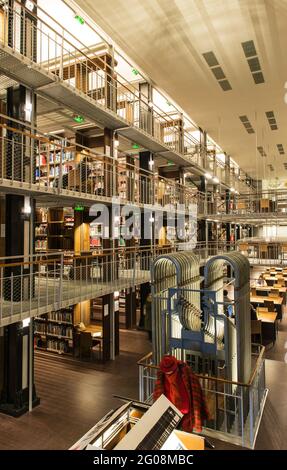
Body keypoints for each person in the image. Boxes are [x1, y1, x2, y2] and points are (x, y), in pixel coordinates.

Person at [153, 355, 209, 433]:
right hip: (170, 413)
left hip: (185, 414)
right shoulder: (162, 376)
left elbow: (195, 388)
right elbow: (159, 393)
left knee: (185, 435)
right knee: (171, 435)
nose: (169, 374)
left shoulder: (185, 371)